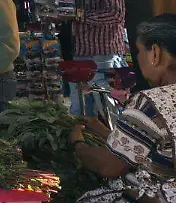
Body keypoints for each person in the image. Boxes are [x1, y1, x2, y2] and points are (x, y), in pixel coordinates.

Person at [69, 14, 176, 203]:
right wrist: (103, 131)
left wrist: (77, 144)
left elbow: (110, 166)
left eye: (139, 51)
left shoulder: (150, 102)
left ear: (155, 53)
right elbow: (147, 146)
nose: (138, 58)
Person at [70, 0, 128, 114]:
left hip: (104, 54)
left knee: (109, 110)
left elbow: (116, 13)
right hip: (82, 53)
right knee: (81, 110)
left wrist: (80, 16)